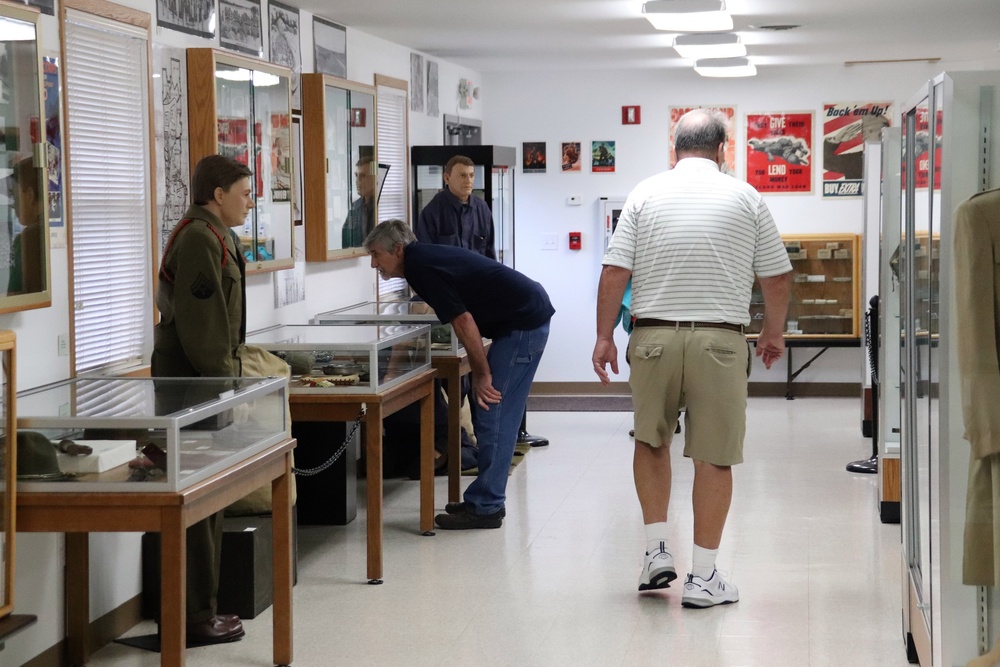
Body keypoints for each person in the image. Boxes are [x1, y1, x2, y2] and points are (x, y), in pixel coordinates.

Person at [592, 109, 792, 608]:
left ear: (674, 147)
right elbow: (777, 276)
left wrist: (603, 337)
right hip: (720, 343)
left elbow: (615, 270)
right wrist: (772, 332)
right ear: (723, 148)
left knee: (650, 439)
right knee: (714, 456)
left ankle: (657, 552)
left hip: (653, 337)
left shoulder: (643, 193)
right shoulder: (747, 196)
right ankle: (703, 578)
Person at [365, 220, 554, 529]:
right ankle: (483, 499)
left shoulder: (420, 267)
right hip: (519, 318)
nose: (374, 263)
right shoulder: (420, 259)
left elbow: (463, 320)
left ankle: (487, 507)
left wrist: (481, 373)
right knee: (490, 412)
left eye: (376, 255)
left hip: (523, 322)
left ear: (397, 249)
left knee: (493, 411)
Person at [150, 154, 255, 645]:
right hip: (193, 392)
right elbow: (204, 334)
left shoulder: (219, 235)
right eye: (243, 192)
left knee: (210, 502)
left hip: (207, 389)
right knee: (196, 506)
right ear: (217, 195)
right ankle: (194, 616)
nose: (250, 201)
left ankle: (203, 608)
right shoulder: (197, 238)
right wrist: (227, 390)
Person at [416, 155, 549, 448]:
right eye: (462, 175)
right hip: (450, 306)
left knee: (493, 369)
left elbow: (489, 256)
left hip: (481, 304)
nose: (469, 181)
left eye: (472, 176)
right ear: (447, 178)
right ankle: (464, 440)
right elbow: (424, 261)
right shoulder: (432, 213)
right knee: (462, 378)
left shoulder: (481, 208)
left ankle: (497, 435)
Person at [8, 155, 46, 295]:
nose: (13, 204)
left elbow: (14, 298)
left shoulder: (26, 240)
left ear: (29, 195)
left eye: (14, 195)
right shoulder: (46, 232)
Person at [342, 156, 377, 248]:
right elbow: (346, 240)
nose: (358, 181)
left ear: (375, 179)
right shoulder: (355, 206)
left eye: (363, 176)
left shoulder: (382, 206)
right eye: (356, 176)